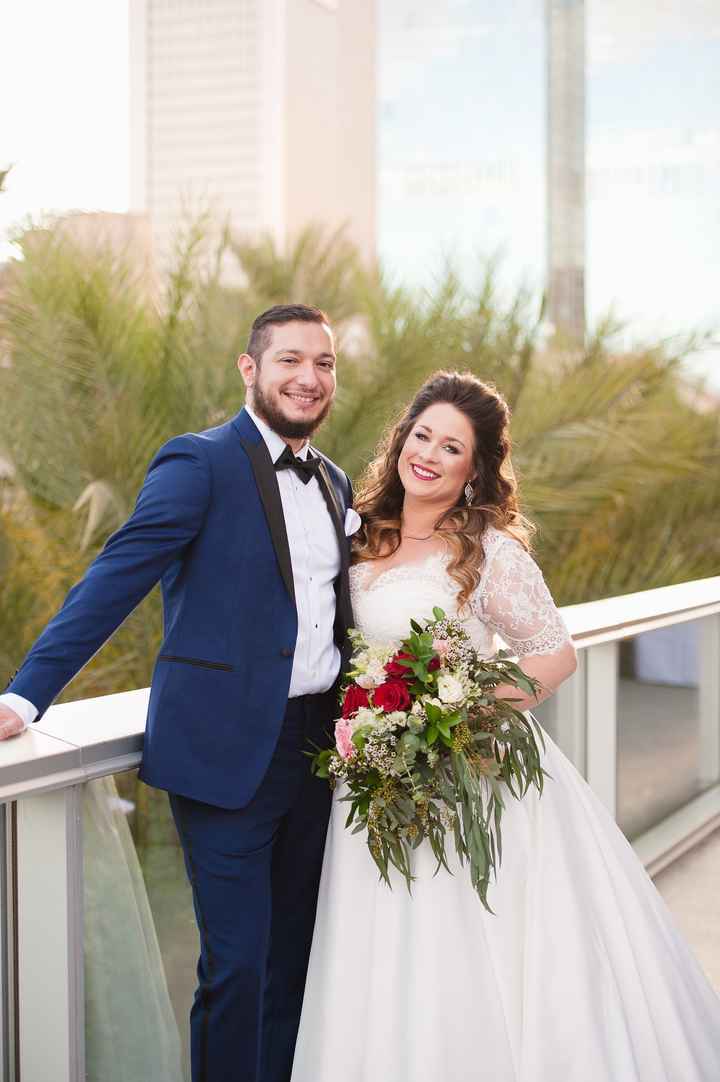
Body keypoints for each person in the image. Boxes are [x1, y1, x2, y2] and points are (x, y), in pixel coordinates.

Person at [290, 370, 720, 1082]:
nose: (427, 453)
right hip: (375, 777)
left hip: (469, 777)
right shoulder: (360, 533)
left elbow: (553, 657)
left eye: (450, 446)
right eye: (421, 434)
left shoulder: (487, 550)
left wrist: (451, 718)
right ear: (402, 440)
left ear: (475, 468)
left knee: (482, 941)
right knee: (382, 947)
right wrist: (380, 728)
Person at [0, 303, 358, 1082]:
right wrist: (25, 698)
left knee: (292, 958)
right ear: (249, 369)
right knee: (235, 966)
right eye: (290, 360)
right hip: (226, 754)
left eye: (323, 363)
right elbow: (114, 578)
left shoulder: (333, 481)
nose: (308, 377)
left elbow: (339, 618)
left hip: (319, 754)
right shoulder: (199, 463)